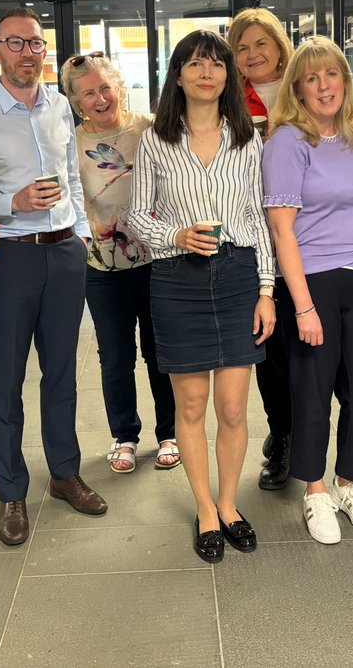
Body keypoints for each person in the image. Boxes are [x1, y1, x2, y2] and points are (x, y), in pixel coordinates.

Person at [0, 7, 104, 548]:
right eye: (15, 44)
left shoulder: (60, 105)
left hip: (63, 255)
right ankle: (11, 489)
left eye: (35, 44)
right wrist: (7, 203)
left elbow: (72, 180)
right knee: (6, 378)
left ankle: (64, 473)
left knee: (62, 373)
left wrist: (81, 233)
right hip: (9, 254)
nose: (27, 53)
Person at [128, 29, 276, 563]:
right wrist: (175, 235)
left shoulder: (245, 136)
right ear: (179, 74)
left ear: (227, 75)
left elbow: (259, 218)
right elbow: (137, 214)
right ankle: (205, 509)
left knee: (233, 407)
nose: (206, 72)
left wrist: (267, 290)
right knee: (190, 405)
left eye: (216, 62)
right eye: (195, 63)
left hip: (238, 276)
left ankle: (230, 503)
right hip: (177, 280)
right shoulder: (156, 140)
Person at [262, 37, 353, 545]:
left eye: (331, 75)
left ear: (344, 80)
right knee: (312, 394)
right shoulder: (288, 142)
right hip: (312, 280)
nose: (323, 86)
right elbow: (280, 229)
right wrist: (304, 306)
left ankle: (349, 483)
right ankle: (314, 491)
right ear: (297, 88)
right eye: (311, 78)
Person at [64, 51, 178, 474]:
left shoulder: (149, 128)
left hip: (156, 259)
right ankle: (125, 435)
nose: (99, 98)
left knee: (159, 350)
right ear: (77, 101)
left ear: (119, 88)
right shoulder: (72, 141)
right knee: (114, 356)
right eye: (88, 92)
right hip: (101, 265)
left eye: (105, 87)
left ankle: (169, 432)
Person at [227, 8, 294, 489]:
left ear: (279, 46)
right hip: (254, 241)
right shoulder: (228, 100)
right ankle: (283, 436)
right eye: (242, 47)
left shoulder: (306, 89)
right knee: (267, 348)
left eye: (260, 44)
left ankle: (299, 433)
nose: (252, 54)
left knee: (305, 346)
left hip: (306, 237)